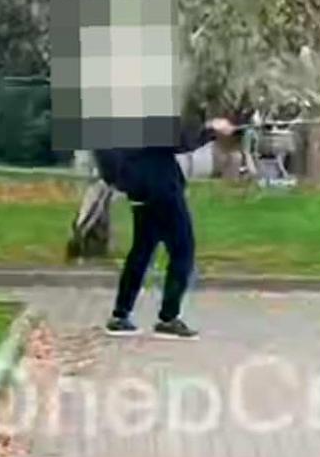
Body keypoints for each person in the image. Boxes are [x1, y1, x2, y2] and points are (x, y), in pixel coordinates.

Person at [98, 114, 236, 340]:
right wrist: (212, 129)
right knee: (183, 250)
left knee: (141, 251)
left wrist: (121, 180)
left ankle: (120, 314)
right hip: (162, 187)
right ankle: (168, 318)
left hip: (138, 189)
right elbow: (178, 141)